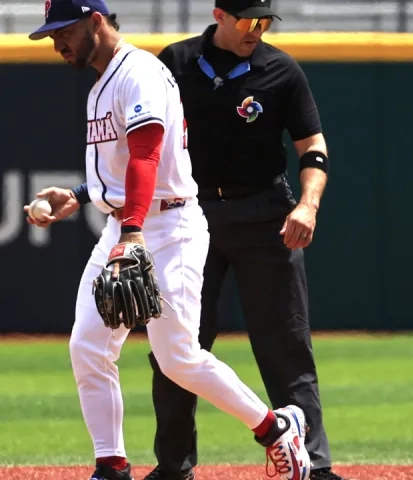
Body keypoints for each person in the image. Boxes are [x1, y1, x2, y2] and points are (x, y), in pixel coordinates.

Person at [25, 1, 312, 479]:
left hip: (167, 228)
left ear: (96, 20)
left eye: (65, 30)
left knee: (177, 358)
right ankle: (111, 465)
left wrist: (133, 232)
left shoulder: (139, 72)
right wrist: (81, 194)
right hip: (126, 225)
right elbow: (120, 169)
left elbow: (146, 156)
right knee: (88, 347)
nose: (57, 41)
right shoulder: (103, 83)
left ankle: (276, 426)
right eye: (52, 34)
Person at [141, 1, 345, 479]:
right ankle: (174, 466)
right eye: (250, 20)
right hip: (189, 216)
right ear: (220, 14)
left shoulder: (280, 69)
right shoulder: (175, 62)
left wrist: (308, 204)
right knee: (177, 345)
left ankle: (312, 463)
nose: (259, 29)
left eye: (266, 21)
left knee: (286, 344)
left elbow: (312, 146)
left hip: (264, 213)